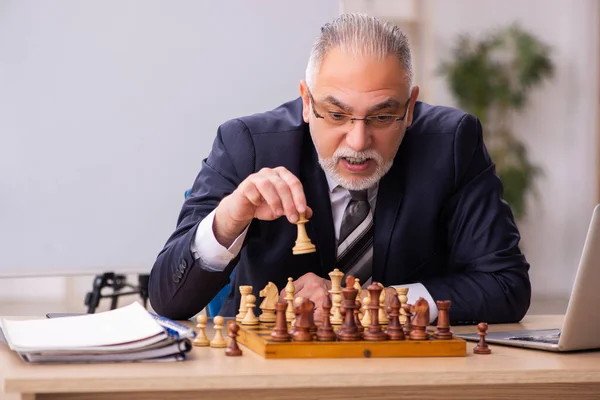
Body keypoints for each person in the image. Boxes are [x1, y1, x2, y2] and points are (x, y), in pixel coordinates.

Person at [148, 13, 531, 324]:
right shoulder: (247, 145)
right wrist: (229, 218)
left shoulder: (452, 144)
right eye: (336, 114)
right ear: (306, 101)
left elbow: (506, 286)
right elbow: (168, 299)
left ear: (411, 107)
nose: (358, 142)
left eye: (383, 116)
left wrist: (367, 301)